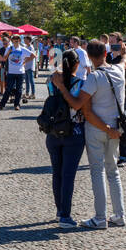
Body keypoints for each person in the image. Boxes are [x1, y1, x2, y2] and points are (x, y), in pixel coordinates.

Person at [68, 41, 126, 229]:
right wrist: (125, 51)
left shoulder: (94, 77)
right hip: (117, 129)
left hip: (97, 129)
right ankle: (119, 215)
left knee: (97, 171)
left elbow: (79, 106)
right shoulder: (118, 70)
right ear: (106, 52)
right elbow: (124, 60)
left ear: (89, 55)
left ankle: (100, 217)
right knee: (113, 172)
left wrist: (61, 87)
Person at [45, 49, 89, 228]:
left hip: (53, 131)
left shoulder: (52, 81)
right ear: (77, 64)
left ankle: (59, 210)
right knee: (68, 174)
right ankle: (65, 215)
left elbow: (54, 79)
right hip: (74, 132)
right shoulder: (81, 83)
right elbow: (80, 105)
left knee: (57, 172)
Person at [0, 35, 32, 110]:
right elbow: (4, 58)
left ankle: (17, 105)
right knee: (8, 89)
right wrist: (8, 52)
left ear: (19, 41)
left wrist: (25, 61)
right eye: (14, 40)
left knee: (19, 89)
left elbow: (33, 55)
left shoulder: (22, 49)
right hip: (11, 71)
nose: (15, 42)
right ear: (12, 41)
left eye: (17, 40)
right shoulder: (9, 48)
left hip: (20, 72)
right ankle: (2, 105)